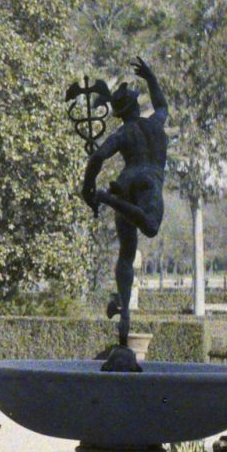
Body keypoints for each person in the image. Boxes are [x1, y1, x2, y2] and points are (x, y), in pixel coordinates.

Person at [81, 57, 168, 352]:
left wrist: (88, 187)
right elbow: (162, 105)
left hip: (127, 180)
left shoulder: (122, 133)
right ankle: (110, 198)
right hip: (149, 181)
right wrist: (151, 77)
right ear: (135, 105)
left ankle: (125, 314)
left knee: (126, 253)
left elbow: (96, 158)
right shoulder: (155, 124)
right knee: (151, 226)